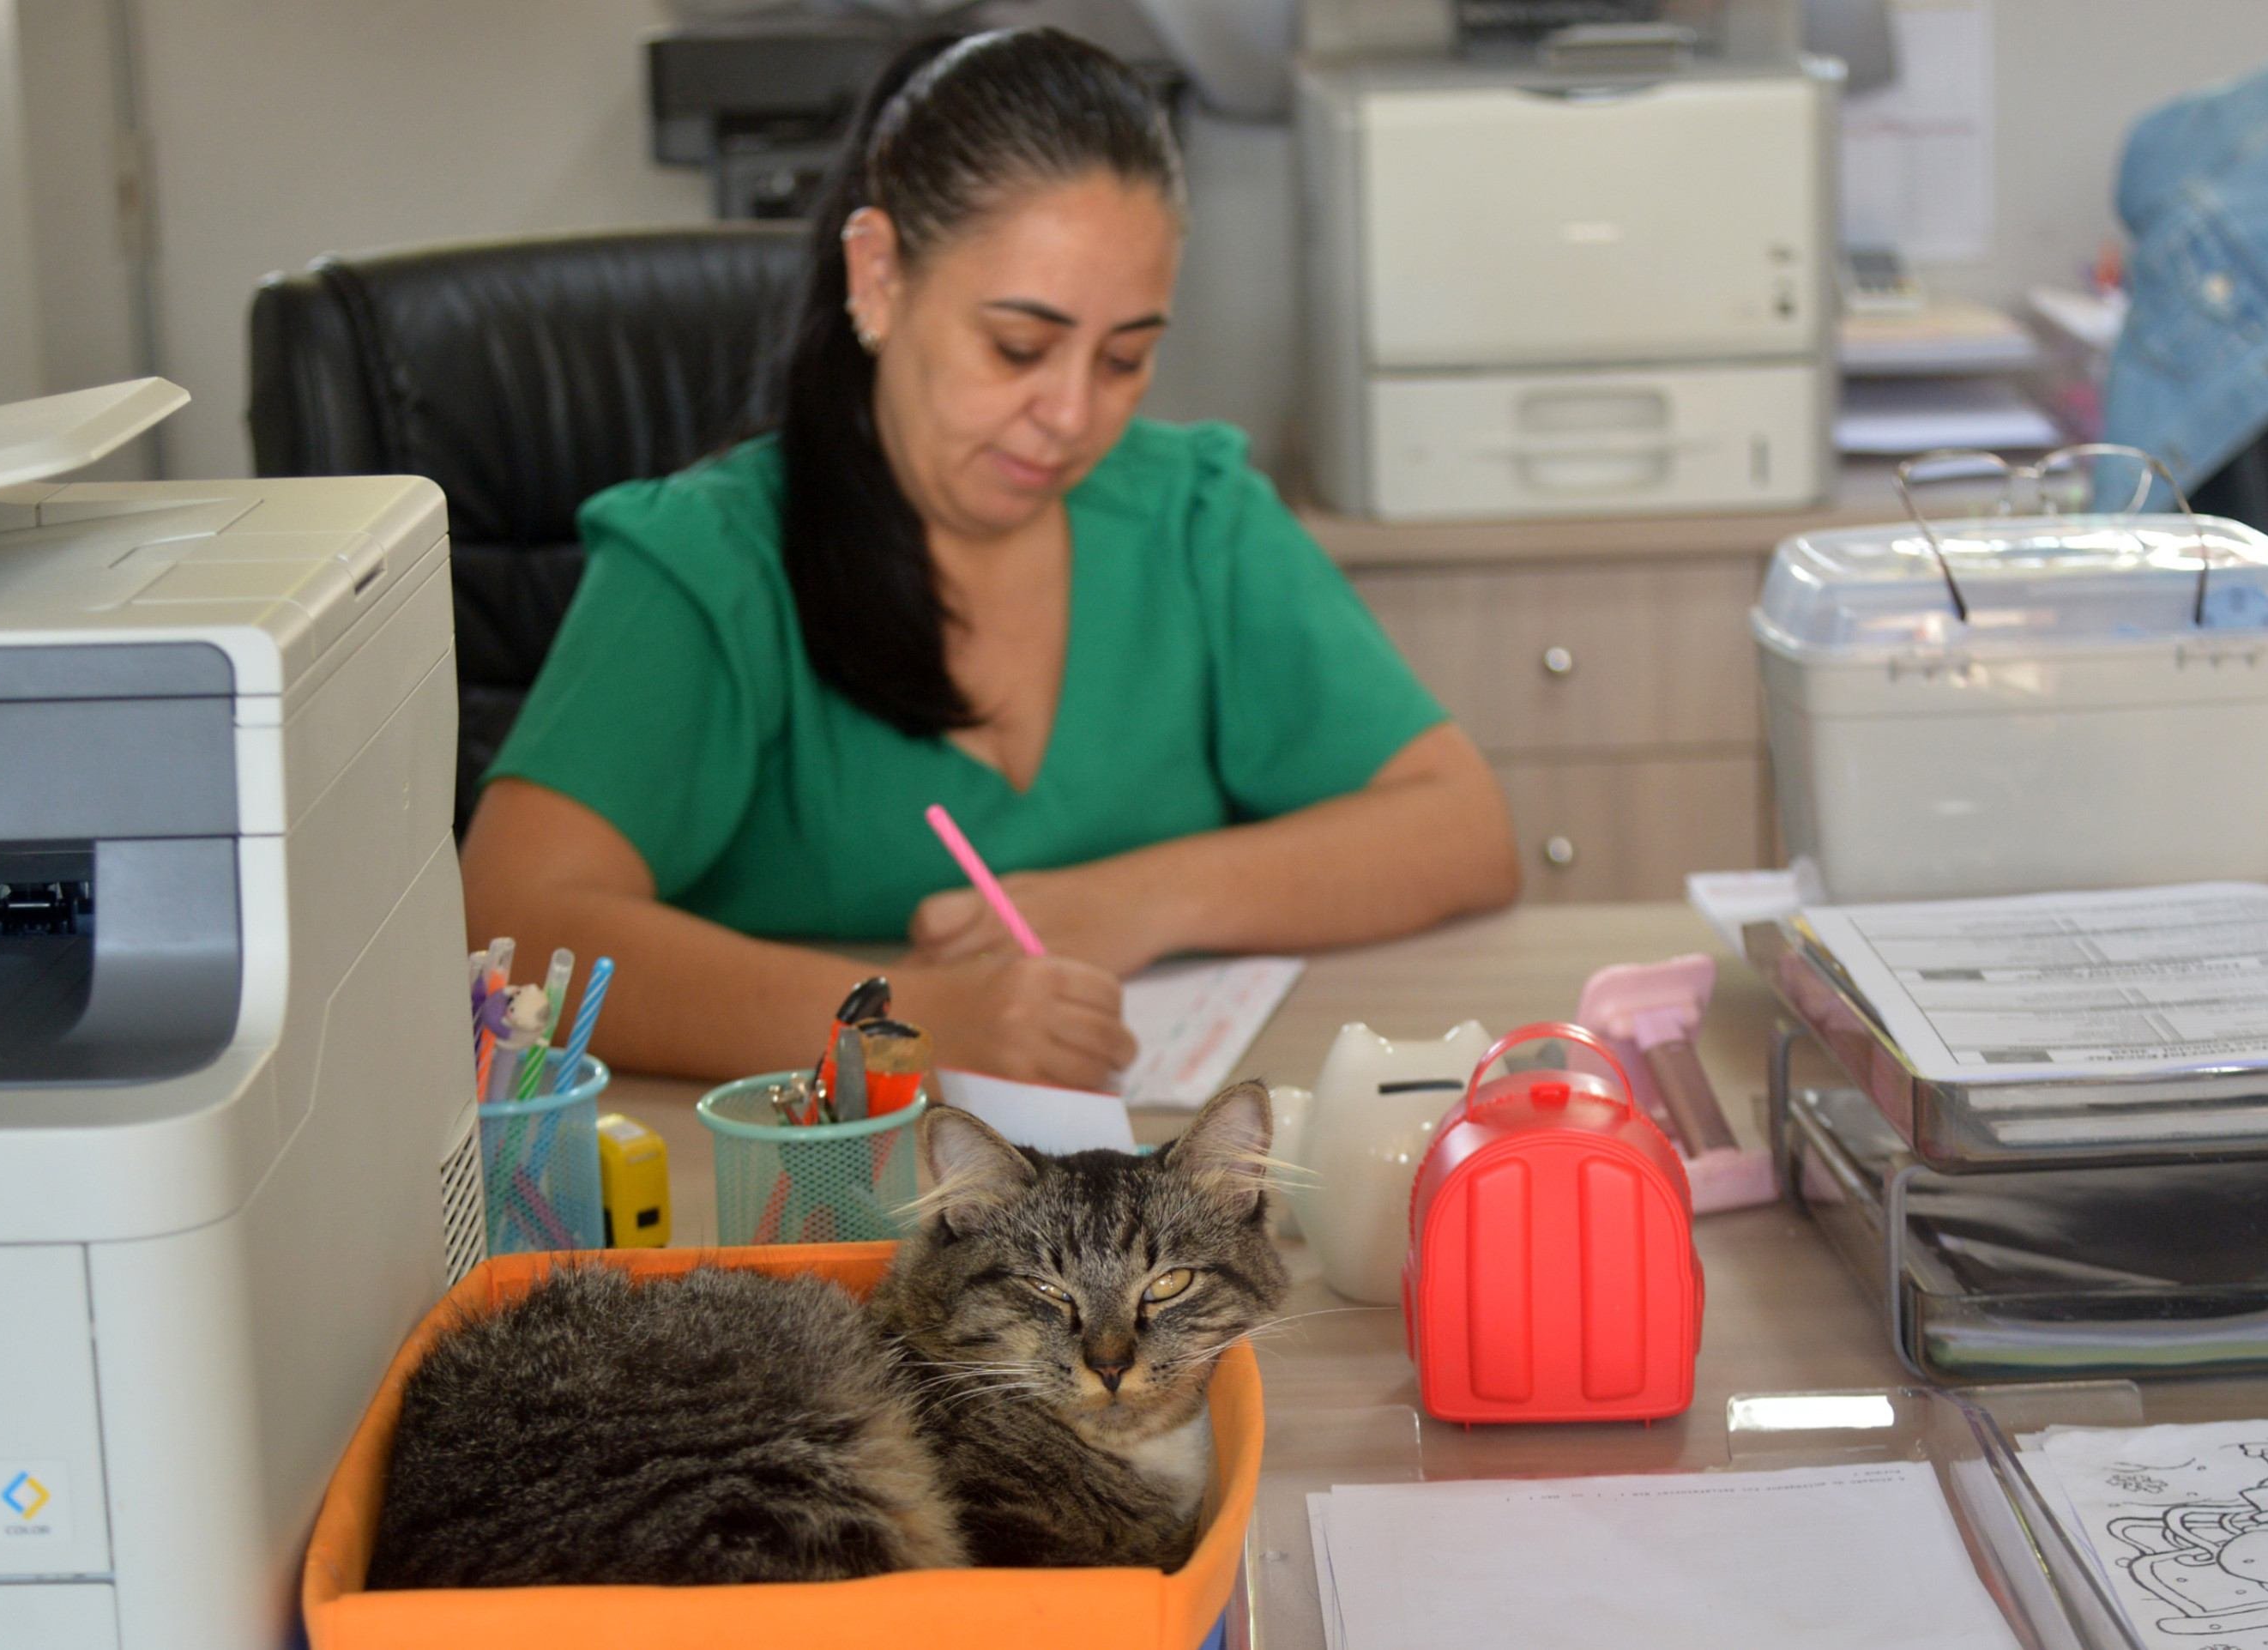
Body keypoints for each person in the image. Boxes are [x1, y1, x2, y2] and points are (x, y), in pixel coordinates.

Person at [461, 27, 1519, 1088]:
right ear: (878, 277)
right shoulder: (710, 560)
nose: (1069, 415)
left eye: (1124, 359)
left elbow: (1462, 829)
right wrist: (904, 1027)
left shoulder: (1193, 513)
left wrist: (1138, 900)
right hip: (804, 1168)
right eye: (1018, 348)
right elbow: (512, 927)